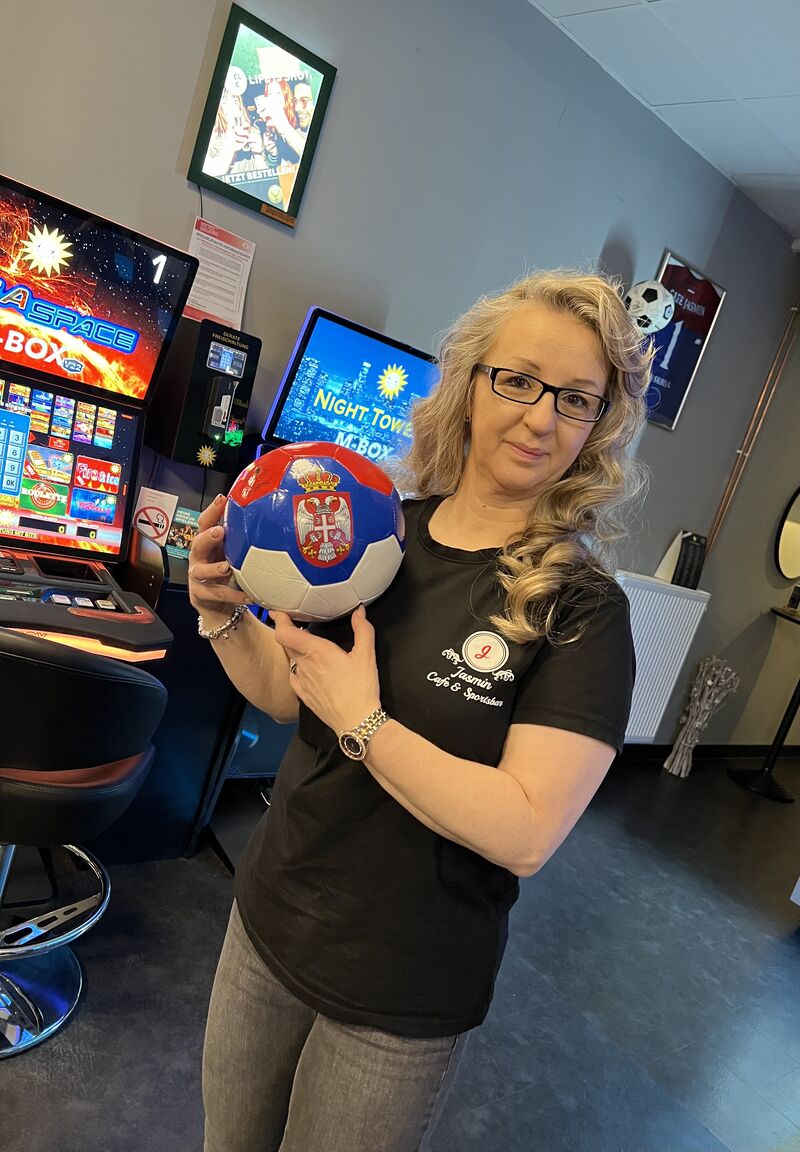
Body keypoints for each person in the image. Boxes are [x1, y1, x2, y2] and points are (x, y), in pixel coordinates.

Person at [190, 269, 652, 1152]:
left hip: (399, 995)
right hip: (270, 920)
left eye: (576, 399)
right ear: (471, 383)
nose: (541, 418)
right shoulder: (375, 531)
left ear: (598, 426)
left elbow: (526, 831)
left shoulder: (584, 610)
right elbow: (287, 694)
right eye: (518, 381)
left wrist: (367, 724)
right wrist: (219, 613)